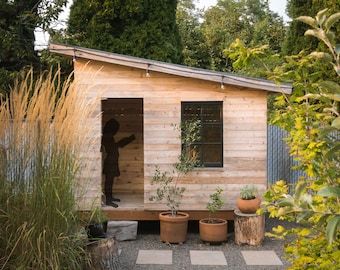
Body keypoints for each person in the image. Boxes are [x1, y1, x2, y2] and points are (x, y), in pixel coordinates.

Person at [101, 118, 135, 207]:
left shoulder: (108, 136)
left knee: (110, 181)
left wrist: (127, 140)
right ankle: (108, 200)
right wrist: (127, 140)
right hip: (110, 162)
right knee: (108, 181)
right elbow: (114, 146)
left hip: (112, 161)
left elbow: (116, 146)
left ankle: (110, 197)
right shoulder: (106, 136)